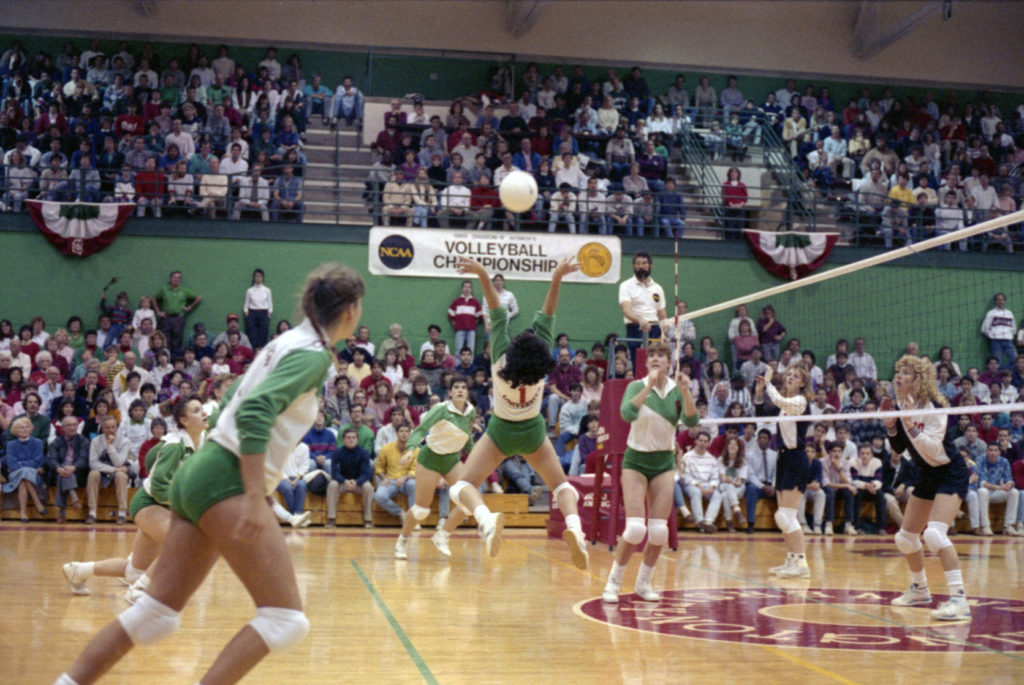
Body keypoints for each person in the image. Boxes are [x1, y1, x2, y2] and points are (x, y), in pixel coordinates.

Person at [57, 263, 364, 685]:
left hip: (201, 470)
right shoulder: (313, 355)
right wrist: (256, 497)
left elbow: (239, 393)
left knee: (154, 614)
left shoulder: (285, 341)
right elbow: (256, 409)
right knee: (285, 619)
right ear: (350, 311)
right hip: (227, 478)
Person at [449, 256, 590, 569]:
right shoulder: (541, 368)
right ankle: (576, 531)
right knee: (564, 487)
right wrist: (557, 276)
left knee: (462, 487)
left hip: (500, 431)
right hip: (533, 433)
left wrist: (483, 273)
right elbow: (549, 310)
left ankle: (486, 520)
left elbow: (495, 308)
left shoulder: (500, 357)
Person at [63, 397, 207, 601]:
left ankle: (78, 570)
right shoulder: (175, 445)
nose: (204, 413)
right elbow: (157, 488)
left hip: (163, 507)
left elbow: (151, 458)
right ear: (183, 420)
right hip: (149, 503)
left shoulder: (199, 439)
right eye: (197, 410)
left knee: (135, 572)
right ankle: (138, 592)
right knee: (181, 545)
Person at [603, 341, 697, 603]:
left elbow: (691, 422)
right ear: (646, 362)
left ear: (669, 362)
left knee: (658, 532)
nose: (656, 359)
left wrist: (686, 392)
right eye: (652, 355)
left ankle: (643, 584)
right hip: (636, 461)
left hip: (664, 462)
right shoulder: (636, 385)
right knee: (635, 529)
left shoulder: (676, 390)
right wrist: (647, 386)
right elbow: (626, 413)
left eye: (661, 356)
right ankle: (613, 583)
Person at [885, 355, 973, 620]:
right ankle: (920, 589)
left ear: (920, 379)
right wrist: (892, 427)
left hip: (950, 472)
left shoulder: (934, 407)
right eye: (898, 371)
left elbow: (935, 449)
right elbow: (900, 448)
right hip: (927, 474)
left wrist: (909, 423)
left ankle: (959, 600)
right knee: (905, 537)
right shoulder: (902, 404)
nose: (899, 376)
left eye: (906, 373)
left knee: (934, 535)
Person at [394, 374, 476, 559]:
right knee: (421, 510)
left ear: (468, 392)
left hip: (452, 460)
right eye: (456, 388)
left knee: (469, 500)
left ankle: (442, 535)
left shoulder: (471, 412)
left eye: (463, 387)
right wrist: (410, 450)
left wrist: (477, 457)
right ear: (450, 393)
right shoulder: (440, 409)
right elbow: (421, 430)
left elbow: (467, 438)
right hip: (430, 459)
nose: (460, 390)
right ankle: (403, 539)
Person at [754, 362, 814, 578]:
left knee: (787, 515)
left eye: (795, 376)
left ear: (803, 382)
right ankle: (791, 561)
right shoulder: (785, 404)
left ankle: (801, 564)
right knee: (782, 516)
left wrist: (769, 382)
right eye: (789, 374)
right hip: (784, 459)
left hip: (797, 458)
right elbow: (763, 414)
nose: (790, 377)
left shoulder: (800, 401)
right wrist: (760, 393)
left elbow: (779, 400)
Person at [618, 251, 667, 361]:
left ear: (650, 265)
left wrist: (664, 333)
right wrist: (640, 320)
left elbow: (662, 315)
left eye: (644, 263)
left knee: (656, 364)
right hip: (636, 328)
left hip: (655, 329)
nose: (641, 266)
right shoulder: (626, 286)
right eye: (638, 263)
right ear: (633, 266)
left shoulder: (658, 288)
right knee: (639, 364)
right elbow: (627, 311)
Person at [3, 416, 48, 522]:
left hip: (34, 475)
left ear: (30, 429)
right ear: (15, 431)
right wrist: (28, 465)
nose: (24, 429)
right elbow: (12, 464)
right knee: (24, 474)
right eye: (21, 428)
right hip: (16, 474)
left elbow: (38, 461)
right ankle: (37, 503)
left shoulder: (38, 442)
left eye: (26, 427)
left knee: (23, 479)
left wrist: (21, 463)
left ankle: (23, 512)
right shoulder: (11, 445)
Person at [153, 270, 201, 355]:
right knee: (165, 342)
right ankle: (164, 361)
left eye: (179, 278)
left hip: (179, 319)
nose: (176, 279)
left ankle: (176, 363)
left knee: (177, 342)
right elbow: (153, 298)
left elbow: (198, 298)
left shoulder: (184, 290)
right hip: (166, 319)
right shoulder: (164, 289)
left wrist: (190, 307)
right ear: (170, 279)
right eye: (174, 277)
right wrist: (158, 311)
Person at [980, 293, 1017, 371]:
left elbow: (1014, 328)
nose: (1000, 301)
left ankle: (1003, 373)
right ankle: (999, 377)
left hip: (1008, 340)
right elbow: (984, 328)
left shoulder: (1009, 313)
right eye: (998, 299)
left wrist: (1009, 335)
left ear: (1004, 301)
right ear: (995, 301)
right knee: (997, 363)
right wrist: (992, 336)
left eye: (1002, 299)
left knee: (1016, 360)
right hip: (996, 341)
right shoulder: (991, 313)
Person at [244, 268, 273, 351]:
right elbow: (246, 303)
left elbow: (270, 302)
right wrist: (246, 312)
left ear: (263, 278)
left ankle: (261, 353)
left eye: (260, 276)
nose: (258, 278)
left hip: (264, 313)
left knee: (263, 334)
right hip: (252, 313)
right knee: (252, 334)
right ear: (254, 278)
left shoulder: (267, 290)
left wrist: (269, 312)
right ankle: (252, 352)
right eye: (256, 276)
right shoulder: (249, 291)